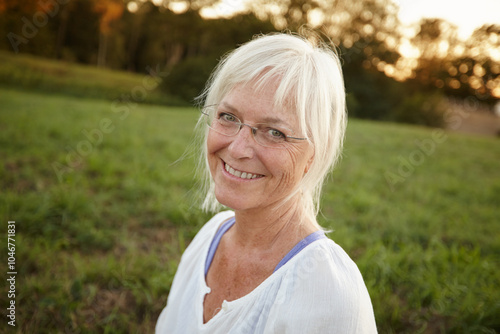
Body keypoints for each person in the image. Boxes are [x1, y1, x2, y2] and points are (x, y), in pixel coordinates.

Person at [156, 32, 377, 333]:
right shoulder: (209, 237)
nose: (236, 149)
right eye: (228, 117)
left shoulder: (329, 293)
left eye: (275, 132)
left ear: (314, 154)